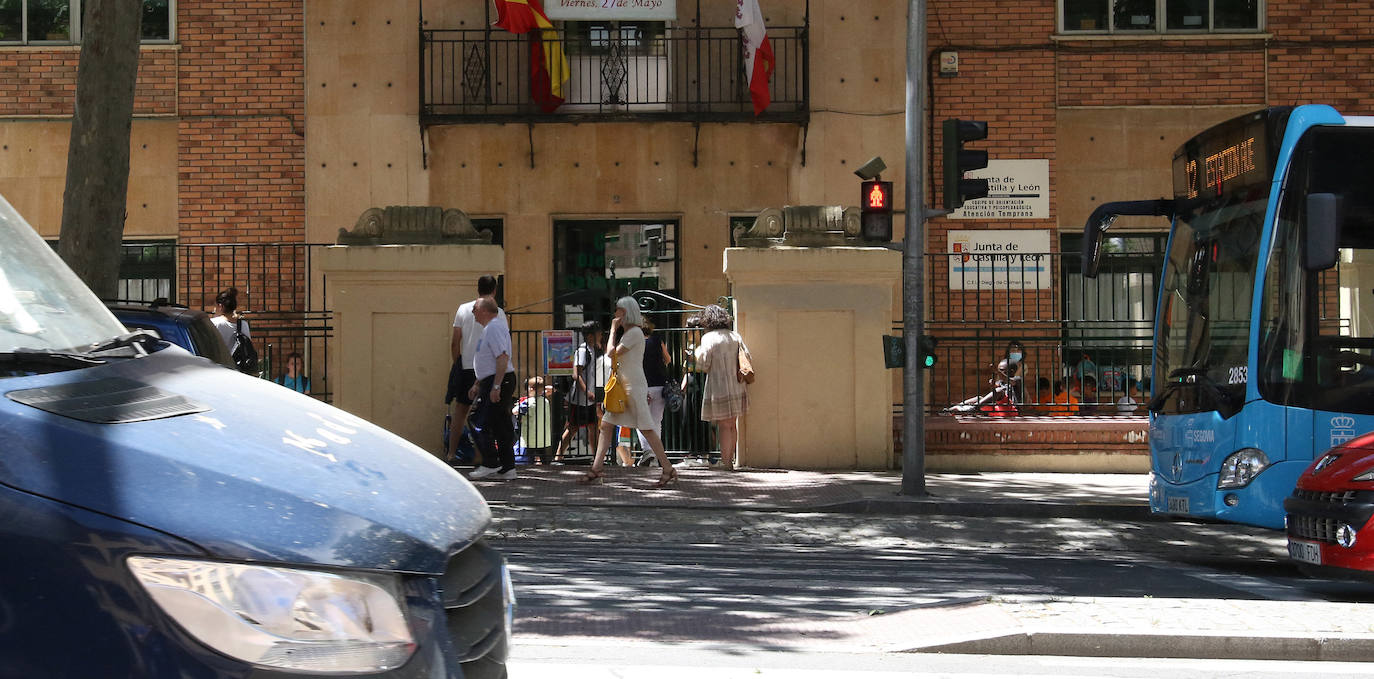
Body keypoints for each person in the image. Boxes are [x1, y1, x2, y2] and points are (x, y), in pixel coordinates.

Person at [578, 297, 677, 488]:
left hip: (633, 388)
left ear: (626, 312)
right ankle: (597, 468)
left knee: (647, 428)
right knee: (607, 425)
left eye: (618, 311)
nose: (615, 314)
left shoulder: (633, 334)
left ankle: (667, 468)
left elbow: (610, 353)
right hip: (627, 387)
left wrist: (613, 330)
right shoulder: (632, 333)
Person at [446, 275, 504, 462]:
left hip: (466, 366)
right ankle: (481, 457)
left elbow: (455, 342)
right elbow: (503, 344)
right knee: (486, 414)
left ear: (477, 288)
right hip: (489, 368)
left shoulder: (464, 309)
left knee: (460, 412)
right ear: (495, 290)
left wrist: (458, 364)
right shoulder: (499, 313)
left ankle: (452, 454)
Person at [692, 304, 749, 471]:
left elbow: (703, 364)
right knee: (732, 424)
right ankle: (730, 460)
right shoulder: (735, 336)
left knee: (724, 426)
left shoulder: (708, 338)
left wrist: (697, 352)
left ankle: (727, 463)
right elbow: (747, 357)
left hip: (719, 385)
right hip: (737, 385)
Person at [467, 297, 519, 481]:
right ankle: (508, 467)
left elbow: (502, 357)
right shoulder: (489, 329)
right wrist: (478, 383)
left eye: (475, 308)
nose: (472, 311)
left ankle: (491, 462)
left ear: (484, 310)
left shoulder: (494, 328)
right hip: (492, 380)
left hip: (499, 381)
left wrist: (496, 386)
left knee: (477, 420)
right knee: (499, 424)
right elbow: (488, 361)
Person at [555, 320, 603, 462]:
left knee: (593, 428)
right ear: (590, 336)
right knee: (573, 428)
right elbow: (577, 374)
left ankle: (597, 458)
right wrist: (587, 391)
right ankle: (558, 456)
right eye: (598, 333)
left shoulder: (592, 349)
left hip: (588, 399)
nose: (601, 335)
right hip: (579, 398)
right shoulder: (583, 350)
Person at [636, 318, 673, 462]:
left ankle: (647, 452)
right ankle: (657, 454)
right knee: (657, 421)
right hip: (659, 384)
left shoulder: (636, 344)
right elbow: (668, 359)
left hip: (642, 385)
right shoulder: (657, 340)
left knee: (641, 422)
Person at [513, 376, 555, 465]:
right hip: (543, 437)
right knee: (544, 456)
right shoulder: (545, 401)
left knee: (528, 456)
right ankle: (547, 466)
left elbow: (515, 411)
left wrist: (518, 405)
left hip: (530, 437)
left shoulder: (527, 403)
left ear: (531, 389)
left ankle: (529, 468)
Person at [210, 287, 249, 355]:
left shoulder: (214, 323)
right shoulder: (244, 324)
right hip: (238, 364)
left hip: (220, 363)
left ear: (220, 306)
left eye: (215, 306)